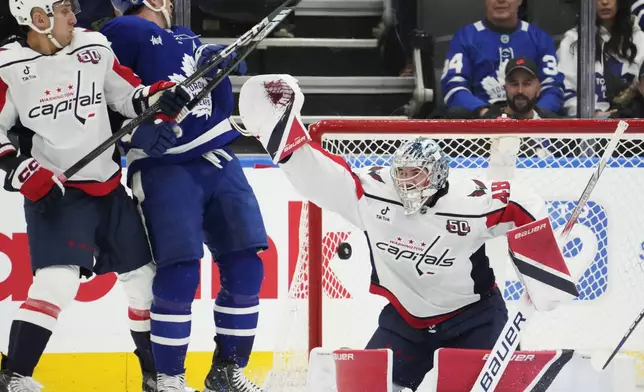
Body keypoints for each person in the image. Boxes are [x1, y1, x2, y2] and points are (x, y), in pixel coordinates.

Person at [238, 74, 550, 392]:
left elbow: (522, 204)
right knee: (364, 388)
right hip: (406, 322)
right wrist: (286, 142)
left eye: (416, 174)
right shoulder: (372, 194)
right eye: (401, 173)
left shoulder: (469, 201)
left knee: (508, 387)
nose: (406, 183)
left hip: (475, 320)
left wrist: (544, 270)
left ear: (437, 175)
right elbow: (322, 177)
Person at [0, 0, 189, 391]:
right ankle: (13, 377)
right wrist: (20, 169)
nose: (75, 17)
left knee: (143, 281)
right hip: (56, 193)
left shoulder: (95, 46)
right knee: (56, 283)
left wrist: (159, 96)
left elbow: (127, 97)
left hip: (107, 187)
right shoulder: (8, 66)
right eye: (65, 9)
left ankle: (155, 378)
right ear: (38, 18)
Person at [100, 1, 269, 391]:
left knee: (246, 265)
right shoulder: (125, 30)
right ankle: (170, 379)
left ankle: (227, 370)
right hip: (166, 167)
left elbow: (215, 107)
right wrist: (130, 134)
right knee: (180, 271)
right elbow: (98, 97)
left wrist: (217, 67)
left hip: (220, 159)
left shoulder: (190, 41)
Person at [441, 0, 564, 118]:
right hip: (481, 123)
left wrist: (533, 114)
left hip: (531, 123)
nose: (501, 0)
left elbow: (553, 87)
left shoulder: (540, 38)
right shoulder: (465, 37)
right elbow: (453, 86)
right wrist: (483, 112)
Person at [558, 0, 644, 118]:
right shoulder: (572, 40)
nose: (604, 2)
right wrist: (592, 114)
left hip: (633, 125)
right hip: (588, 126)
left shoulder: (639, 39)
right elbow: (565, 87)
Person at [481, 57, 560, 119]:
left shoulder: (552, 125)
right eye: (514, 84)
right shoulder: (488, 124)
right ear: (505, 88)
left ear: (538, 89)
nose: (520, 91)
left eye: (526, 84)